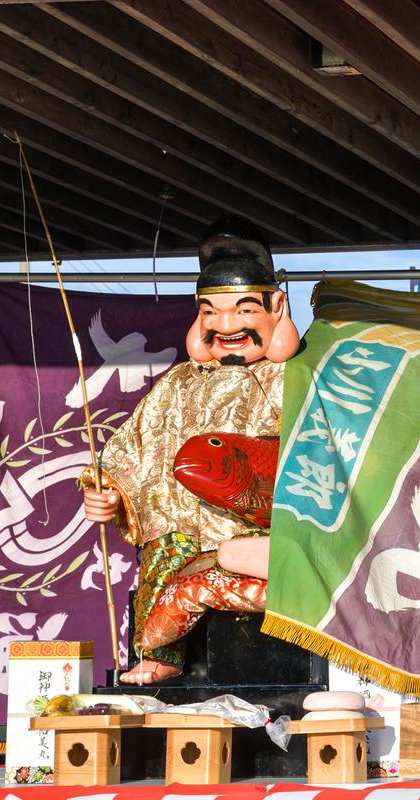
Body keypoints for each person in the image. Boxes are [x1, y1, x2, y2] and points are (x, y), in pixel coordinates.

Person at [81, 217, 298, 684]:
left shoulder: (298, 378)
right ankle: (162, 653)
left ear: (276, 307)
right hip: (183, 534)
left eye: (243, 311)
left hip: (264, 531)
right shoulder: (179, 383)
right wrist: (110, 491)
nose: (227, 326)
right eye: (210, 313)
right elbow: (135, 446)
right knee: (165, 551)